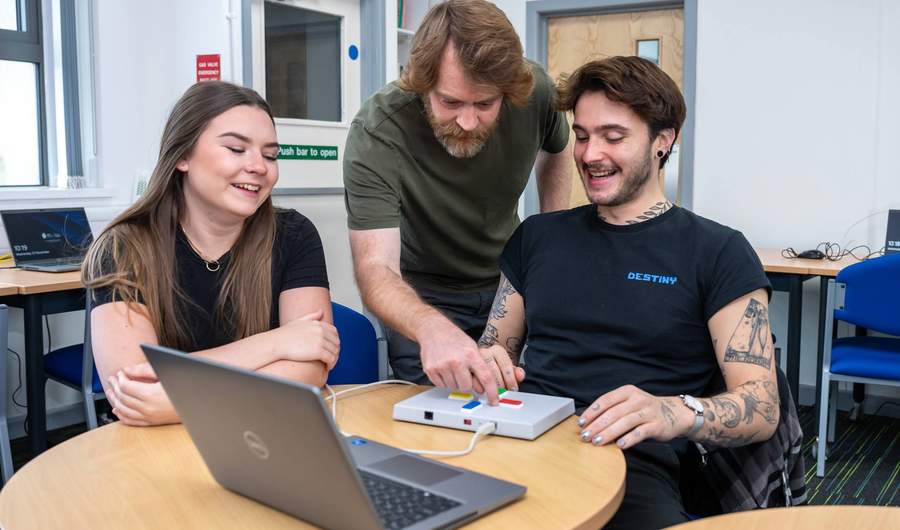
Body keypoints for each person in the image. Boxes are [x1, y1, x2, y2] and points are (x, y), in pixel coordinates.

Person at [476, 56, 779, 529]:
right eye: (581, 136)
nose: (590, 154)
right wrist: (487, 362)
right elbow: (496, 348)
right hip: (520, 438)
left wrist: (674, 412)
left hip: (630, 462)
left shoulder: (717, 251)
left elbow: (762, 405)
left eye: (613, 137)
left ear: (663, 141)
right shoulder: (536, 236)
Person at [343, 0, 572, 404]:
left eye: (485, 104)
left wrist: (552, 238)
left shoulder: (534, 91)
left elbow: (559, 147)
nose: (468, 122)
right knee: (439, 425)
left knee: (527, 407)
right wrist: (432, 328)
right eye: (450, 102)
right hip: (423, 296)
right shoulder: (378, 131)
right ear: (421, 82)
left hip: (512, 284)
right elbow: (376, 269)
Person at [84, 81, 339, 427]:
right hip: (159, 448)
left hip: (267, 431)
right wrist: (277, 343)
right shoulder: (124, 247)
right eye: (236, 149)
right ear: (183, 156)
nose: (259, 167)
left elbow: (311, 369)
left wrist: (176, 401)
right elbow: (135, 384)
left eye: (270, 155)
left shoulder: (294, 234)